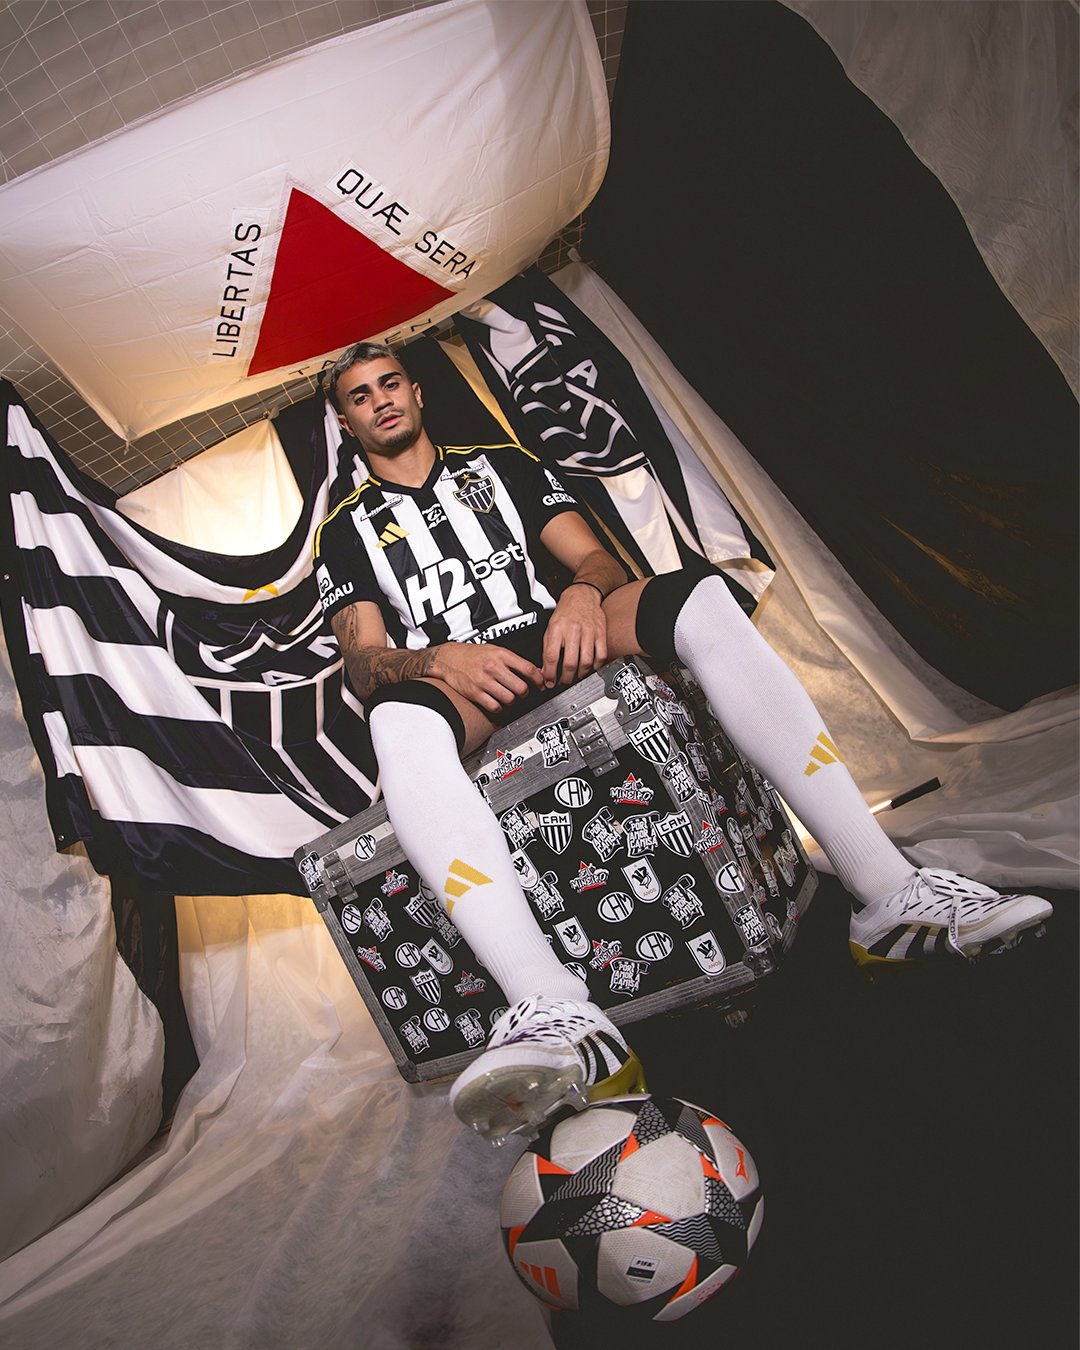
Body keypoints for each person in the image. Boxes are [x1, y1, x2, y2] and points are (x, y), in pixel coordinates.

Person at [313, 341, 1052, 1143]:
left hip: (559, 640)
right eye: (360, 395)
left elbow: (595, 559)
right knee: (393, 719)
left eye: (390, 383)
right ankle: (551, 1007)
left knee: (700, 596)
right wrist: (437, 659)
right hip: (473, 681)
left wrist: (581, 596)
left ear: (417, 391)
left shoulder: (502, 464)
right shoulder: (345, 530)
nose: (381, 400)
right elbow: (363, 663)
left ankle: (887, 893)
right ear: (346, 421)